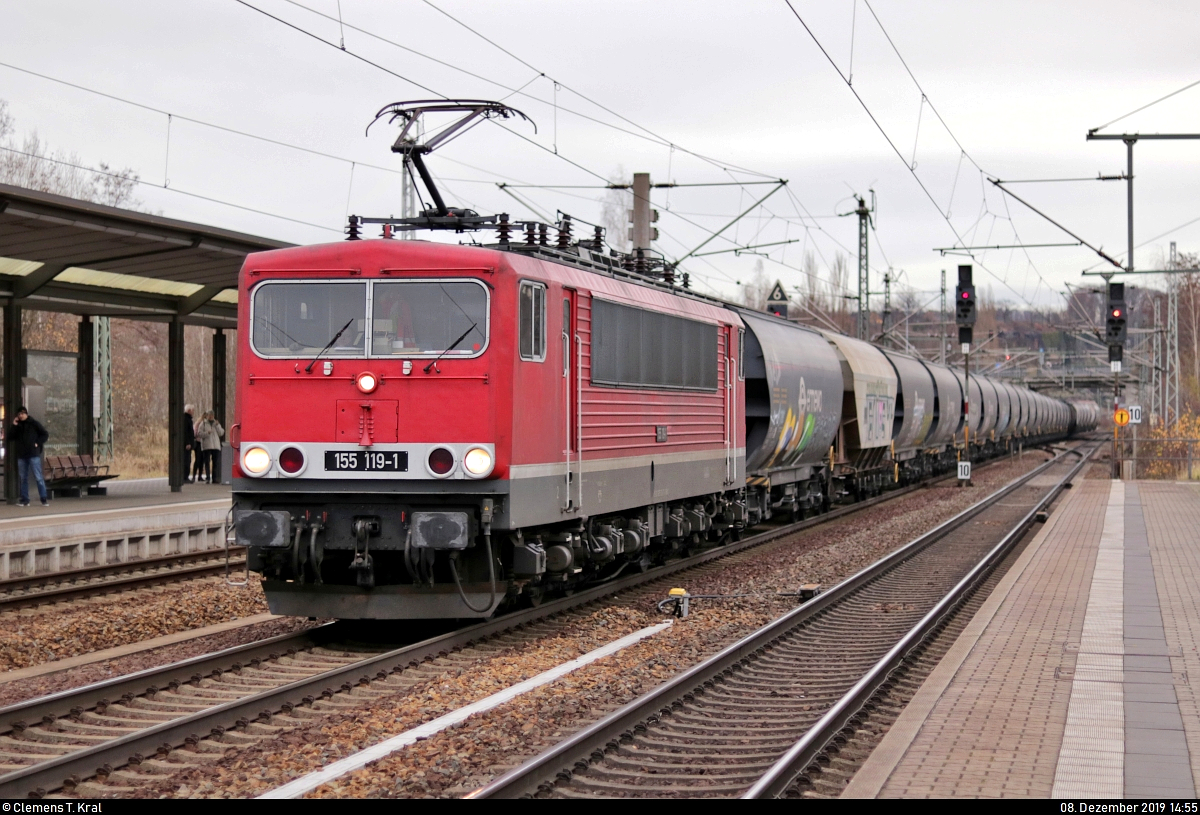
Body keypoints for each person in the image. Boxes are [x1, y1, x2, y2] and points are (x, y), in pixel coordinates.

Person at [10, 407, 49, 507]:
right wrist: (14, 425)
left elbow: (45, 434)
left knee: (38, 477)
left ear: (26, 414)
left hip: (33, 454)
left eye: (22, 414)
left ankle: (43, 498)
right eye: (19, 414)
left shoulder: (34, 423)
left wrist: (37, 443)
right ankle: (25, 499)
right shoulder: (18, 426)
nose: (21, 416)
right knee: (23, 478)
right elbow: (10, 437)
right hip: (22, 455)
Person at [198, 410, 224, 484]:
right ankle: (208, 478)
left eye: (212, 415)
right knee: (207, 462)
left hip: (215, 445)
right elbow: (199, 434)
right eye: (209, 415)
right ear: (207, 416)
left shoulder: (216, 423)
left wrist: (218, 425)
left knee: (215, 462)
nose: (211, 417)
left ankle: (214, 478)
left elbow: (221, 433)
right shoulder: (203, 423)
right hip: (207, 445)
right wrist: (207, 433)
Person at [183, 404, 196, 483]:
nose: (193, 412)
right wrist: (188, 442)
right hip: (187, 444)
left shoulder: (188, 419)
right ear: (189, 411)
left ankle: (186, 476)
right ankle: (185, 477)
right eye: (192, 410)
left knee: (188, 460)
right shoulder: (186, 419)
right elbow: (186, 432)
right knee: (186, 461)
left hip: (188, 443)